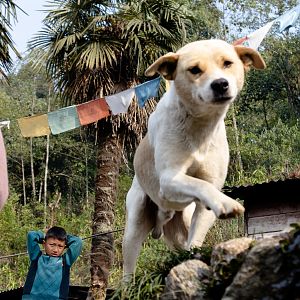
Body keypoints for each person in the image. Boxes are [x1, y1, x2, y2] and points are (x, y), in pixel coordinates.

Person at [22, 226, 83, 300]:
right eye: (52, 245)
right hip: (32, 297)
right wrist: (46, 236)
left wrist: (64, 238)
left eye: (60, 246)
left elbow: (78, 242)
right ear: (44, 244)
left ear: (64, 247)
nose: (55, 250)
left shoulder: (66, 261)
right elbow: (31, 235)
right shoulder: (36, 257)